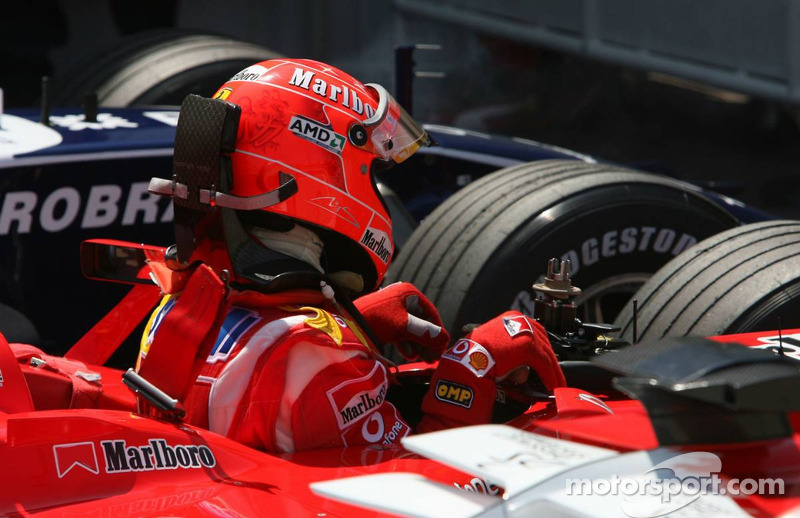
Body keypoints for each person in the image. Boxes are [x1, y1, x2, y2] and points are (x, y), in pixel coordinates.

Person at [136, 58, 565, 453]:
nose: (376, 190)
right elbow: (417, 499)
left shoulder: (183, 294)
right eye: (371, 172)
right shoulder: (314, 356)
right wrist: (472, 371)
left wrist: (352, 323)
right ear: (318, 170)